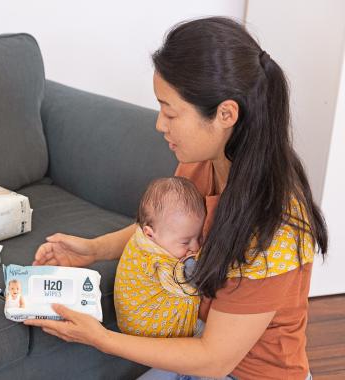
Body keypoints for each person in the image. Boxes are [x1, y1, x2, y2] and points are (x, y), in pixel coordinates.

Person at [27, 17, 327, 380]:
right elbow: (164, 228)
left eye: (170, 111)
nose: (159, 124)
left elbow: (214, 361)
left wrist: (101, 339)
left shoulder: (276, 224)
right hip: (199, 339)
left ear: (225, 114)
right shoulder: (203, 162)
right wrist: (93, 249)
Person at [115, 176, 205, 339]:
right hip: (149, 327)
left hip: (128, 322)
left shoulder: (149, 237)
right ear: (149, 234)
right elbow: (195, 281)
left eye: (199, 238)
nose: (195, 247)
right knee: (207, 332)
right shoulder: (155, 257)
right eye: (185, 242)